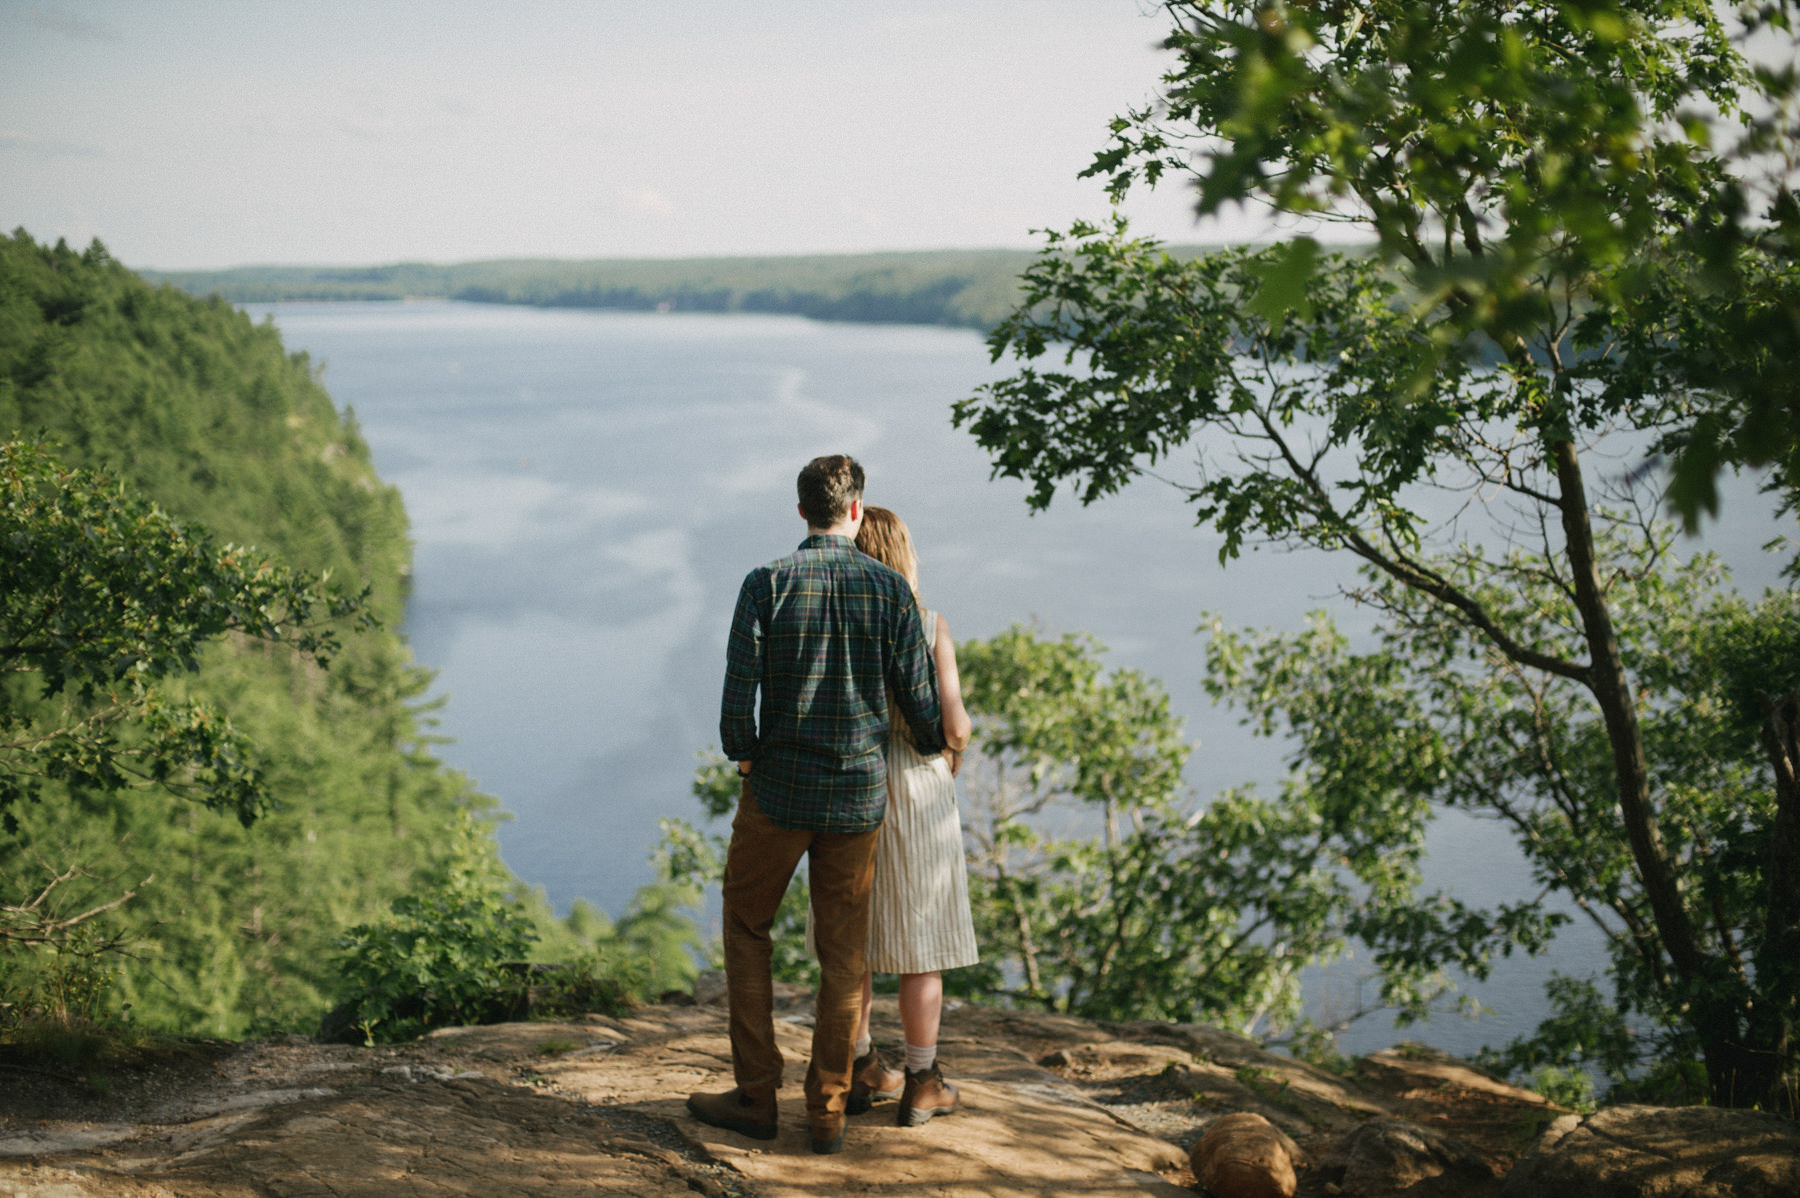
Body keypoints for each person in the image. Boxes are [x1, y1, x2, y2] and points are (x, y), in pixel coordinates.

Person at [687, 455, 946, 1156]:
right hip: (857, 798)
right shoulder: (890, 591)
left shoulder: (765, 583)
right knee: (842, 955)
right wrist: (930, 742)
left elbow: (738, 692)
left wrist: (744, 751)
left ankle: (753, 1096)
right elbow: (922, 703)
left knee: (747, 929)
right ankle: (827, 1109)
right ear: (855, 511)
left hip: (775, 793)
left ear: (801, 512)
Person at [841, 506, 978, 1127]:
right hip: (919, 791)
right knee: (922, 948)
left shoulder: (842, 623)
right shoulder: (928, 624)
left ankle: (862, 1064)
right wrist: (955, 748)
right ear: (905, 555)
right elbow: (953, 723)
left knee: (857, 945)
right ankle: (922, 1081)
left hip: (855, 785)